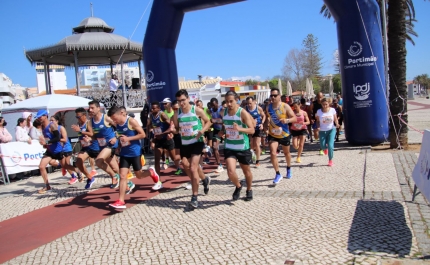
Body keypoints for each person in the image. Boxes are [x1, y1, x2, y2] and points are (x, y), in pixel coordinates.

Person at [107, 106, 160, 209]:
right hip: (124, 154)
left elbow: (143, 134)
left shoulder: (131, 121)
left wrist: (129, 138)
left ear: (121, 113)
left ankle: (151, 172)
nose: (114, 121)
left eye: (115, 118)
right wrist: (118, 146)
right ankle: (121, 201)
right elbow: (121, 137)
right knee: (122, 176)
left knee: (139, 175)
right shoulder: (117, 125)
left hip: (135, 152)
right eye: (113, 119)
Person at [172, 89, 212, 209]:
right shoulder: (177, 113)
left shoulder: (197, 110)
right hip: (185, 143)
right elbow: (177, 129)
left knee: (194, 167)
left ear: (188, 99)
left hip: (197, 142)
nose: (181, 103)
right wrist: (173, 132)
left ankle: (194, 197)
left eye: (183, 100)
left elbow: (209, 122)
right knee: (186, 166)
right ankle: (204, 179)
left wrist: (202, 131)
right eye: (179, 101)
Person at [218, 91, 255, 201]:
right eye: (226, 101)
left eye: (231, 101)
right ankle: (238, 186)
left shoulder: (242, 113)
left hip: (242, 147)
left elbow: (252, 130)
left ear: (237, 100)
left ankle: (249, 189)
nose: (229, 104)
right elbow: (225, 126)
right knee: (230, 172)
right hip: (229, 146)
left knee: (246, 171)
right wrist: (222, 132)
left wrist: (239, 129)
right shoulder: (223, 112)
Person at [86, 100, 121, 190]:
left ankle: (114, 176)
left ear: (98, 108)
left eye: (92, 108)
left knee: (98, 161)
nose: (90, 110)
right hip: (103, 146)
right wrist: (90, 139)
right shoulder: (91, 122)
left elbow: (119, 125)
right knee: (114, 166)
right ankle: (128, 183)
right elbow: (94, 136)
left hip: (111, 144)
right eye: (89, 108)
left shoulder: (106, 118)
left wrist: (116, 137)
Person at [266, 88, 297, 184]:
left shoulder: (285, 106)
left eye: (275, 95)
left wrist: (287, 120)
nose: (273, 97)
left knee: (286, 153)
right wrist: (266, 126)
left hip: (284, 133)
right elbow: (267, 117)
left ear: (279, 96)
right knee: (272, 153)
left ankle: (288, 168)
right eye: (271, 95)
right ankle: (278, 174)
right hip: (273, 133)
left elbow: (294, 118)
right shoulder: (268, 107)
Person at [35, 110, 63, 193]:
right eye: (38, 117)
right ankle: (47, 186)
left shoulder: (52, 126)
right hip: (50, 151)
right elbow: (47, 139)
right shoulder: (42, 127)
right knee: (41, 166)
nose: (39, 118)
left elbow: (57, 138)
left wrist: (47, 142)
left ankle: (77, 172)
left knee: (66, 165)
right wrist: (44, 144)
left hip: (58, 150)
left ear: (45, 116)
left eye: (40, 116)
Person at [146, 101, 173, 189]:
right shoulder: (151, 116)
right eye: (152, 108)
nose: (152, 109)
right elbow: (149, 126)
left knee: (175, 158)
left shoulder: (162, 115)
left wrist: (166, 133)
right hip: (158, 140)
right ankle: (159, 181)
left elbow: (171, 125)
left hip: (166, 139)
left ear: (158, 108)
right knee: (157, 160)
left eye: (154, 108)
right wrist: (150, 133)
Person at [50, 115, 82, 184]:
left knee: (66, 164)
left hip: (66, 148)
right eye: (50, 120)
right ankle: (70, 172)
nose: (51, 122)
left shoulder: (61, 128)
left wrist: (55, 140)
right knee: (54, 162)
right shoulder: (51, 129)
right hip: (58, 149)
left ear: (57, 121)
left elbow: (64, 139)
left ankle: (76, 174)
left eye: (52, 120)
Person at [315, 98, 340, 166]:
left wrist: (337, 124)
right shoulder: (319, 111)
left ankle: (330, 160)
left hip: (331, 130)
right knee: (322, 145)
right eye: (323, 104)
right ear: (321, 104)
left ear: (329, 103)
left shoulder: (332, 110)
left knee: (330, 145)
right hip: (322, 131)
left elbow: (335, 118)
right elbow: (317, 121)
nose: (325, 106)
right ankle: (324, 149)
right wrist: (318, 126)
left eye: (326, 104)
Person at [162, 98, 182, 173]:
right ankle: (178, 168)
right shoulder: (172, 117)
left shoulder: (185, 116)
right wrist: (171, 133)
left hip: (187, 137)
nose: (175, 110)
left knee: (186, 157)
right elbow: (172, 128)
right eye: (174, 109)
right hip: (177, 137)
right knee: (176, 156)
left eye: (176, 108)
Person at [245, 96, 266, 166]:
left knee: (257, 144)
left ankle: (257, 161)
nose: (249, 105)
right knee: (252, 145)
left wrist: (262, 124)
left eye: (250, 103)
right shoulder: (246, 109)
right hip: (250, 129)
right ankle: (253, 155)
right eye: (247, 103)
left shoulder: (258, 108)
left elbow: (264, 116)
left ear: (254, 102)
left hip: (258, 128)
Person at [209, 98, 224, 173]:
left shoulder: (222, 109)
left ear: (217, 103)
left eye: (214, 105)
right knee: (214, 147)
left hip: (224, 130)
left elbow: (224, 120)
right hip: (216, 131)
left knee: (229, 149)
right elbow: (210, 120)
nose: (213, 107)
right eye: (212, 105)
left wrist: (215, 121)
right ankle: (219, 165)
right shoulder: (211, 110)